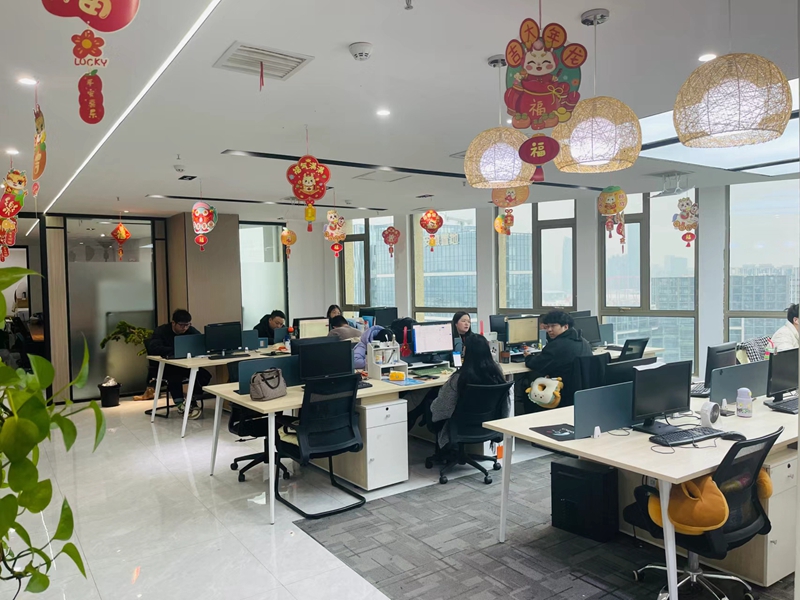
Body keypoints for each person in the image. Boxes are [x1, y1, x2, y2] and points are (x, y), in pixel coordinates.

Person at [430, 335, 507, 448]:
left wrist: (431, 407)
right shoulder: (496, 373)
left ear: (466, 351)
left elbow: (442, 408)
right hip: (487, 426)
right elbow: (505, 406)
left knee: (429, 401)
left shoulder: (460, 378)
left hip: (460, 427)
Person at [516, 310, 592, 413]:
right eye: (547, 326)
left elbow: (536, 364)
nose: (549, 330)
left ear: (565, 326)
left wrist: (528, 357)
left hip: (560, 393)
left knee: (526, 387)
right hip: (582, 393)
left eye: (553, 326)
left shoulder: (557, 345)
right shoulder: (583, 341)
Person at [145, 309, 211, 419]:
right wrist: (175, 350)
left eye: (187, 325)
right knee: (174, 376)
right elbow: (154, 348)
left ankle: (191, 400)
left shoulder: (190, 330)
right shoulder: (161, 331)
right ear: (173, 323)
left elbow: (201, 341)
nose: (184, 328)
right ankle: (180, 404)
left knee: (203, 375)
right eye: (181, 325)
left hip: (183, 364)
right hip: (165, 366)